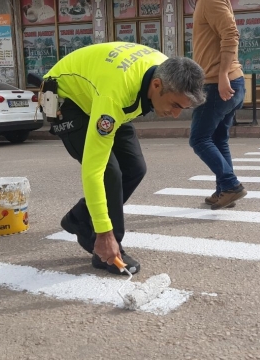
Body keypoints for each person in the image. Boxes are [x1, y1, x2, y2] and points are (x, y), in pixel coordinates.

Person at [42, 42, 206, 275]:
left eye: (184, 108)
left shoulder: (163, 70)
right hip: (67, 98)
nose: (177, 114)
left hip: (101, 91)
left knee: (135, 168)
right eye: (174, 105)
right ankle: (108, 250)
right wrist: (105, 232)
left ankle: (78, 218)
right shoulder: (115, 96)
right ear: (157, 85)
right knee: (110, 173)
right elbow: (93, 170)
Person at [189, 0, 247, 210]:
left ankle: (231, 185)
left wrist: (222, 75)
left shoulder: (209, 0)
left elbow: (231, 34)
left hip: (217, 84)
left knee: (199, 139)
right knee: (218, 139)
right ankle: (224, 190)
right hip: (224, 81)